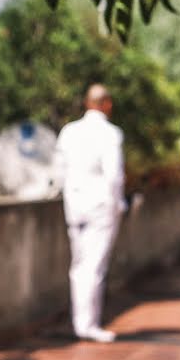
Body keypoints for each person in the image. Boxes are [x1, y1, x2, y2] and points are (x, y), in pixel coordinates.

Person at [52, 84, 126, 342]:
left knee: (79, 265)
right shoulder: (110, 133)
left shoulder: (69, 131)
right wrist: (119, 204)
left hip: (75, 205)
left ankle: (81, 322)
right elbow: (114, 174)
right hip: (101, 206)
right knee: (94, 266)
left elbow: (59, 171)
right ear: (106, 104)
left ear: (86, 103)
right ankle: (88, 324)